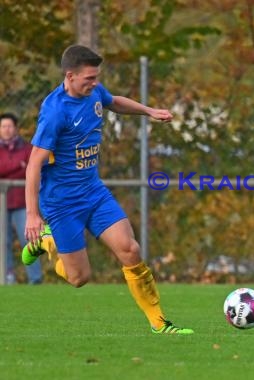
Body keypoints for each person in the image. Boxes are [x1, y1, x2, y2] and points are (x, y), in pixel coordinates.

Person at [22, 44, 193, 334]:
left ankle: (159, 322)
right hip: (62, 203)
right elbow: (33, 164)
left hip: (94, 192)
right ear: (70, 75)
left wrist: (148, 111)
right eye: (89, 78)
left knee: (130, 249)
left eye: (97, 77)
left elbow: (114, 101)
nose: (95, 83)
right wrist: (32, 215)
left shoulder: (93, 93)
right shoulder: (55, 112)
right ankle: (46, 242)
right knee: (79, 278)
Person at [0, 112, 43, 284]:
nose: (6, 129)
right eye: (3, 126)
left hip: (21, 203)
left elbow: (32, 170)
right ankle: (7, 279)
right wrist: (19, 166)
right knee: (3, 243)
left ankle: (35, 279)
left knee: (30, 240)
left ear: (15, 128)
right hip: (2, 203)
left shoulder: (26, 148)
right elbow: (21, 168)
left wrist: (9, 171)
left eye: (9, 126)